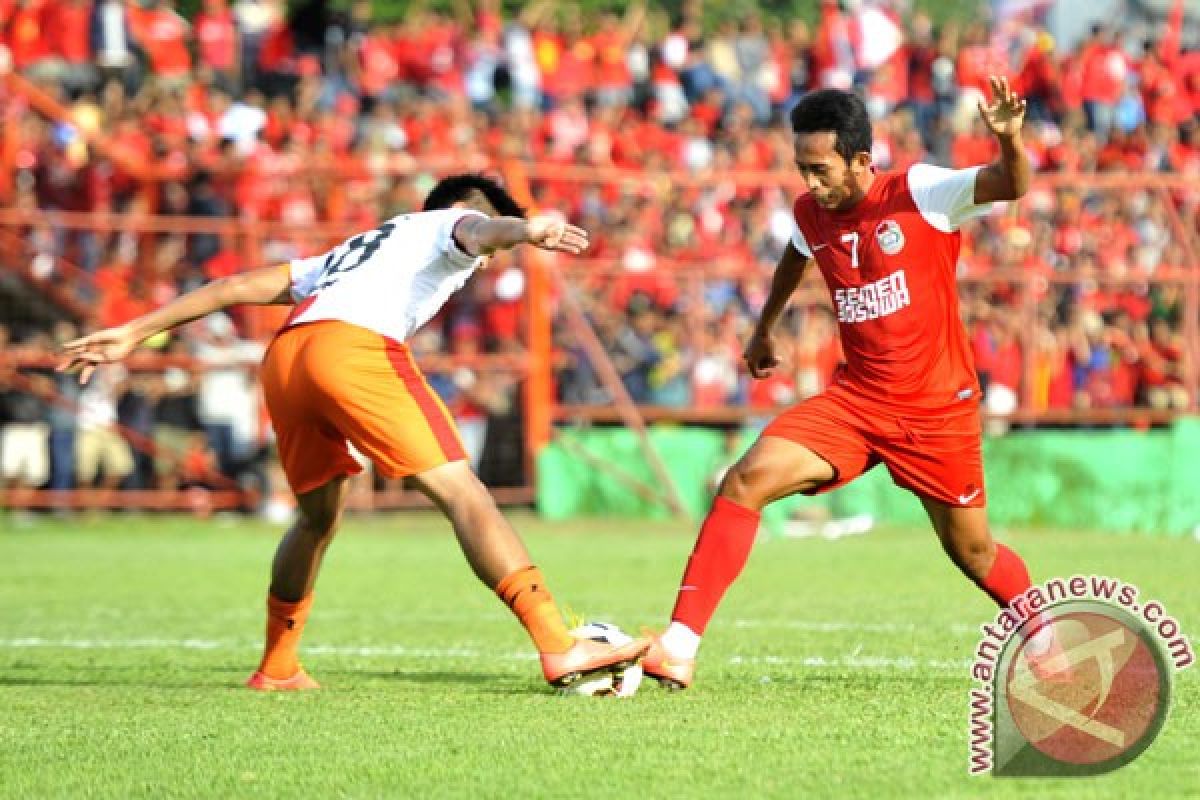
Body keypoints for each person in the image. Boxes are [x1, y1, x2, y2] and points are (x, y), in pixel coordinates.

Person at [60, 174, 648, 691]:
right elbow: (478, 231)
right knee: (464, 495)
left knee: (317, 516)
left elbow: (235, 288)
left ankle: (278, 665)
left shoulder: (357, 250)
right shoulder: (453, 224)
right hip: (354, 348)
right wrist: (525, 230)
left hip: (288, 358)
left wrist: (134, 331)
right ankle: (558, 642)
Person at [642, 76, 1053, 689]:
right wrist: (763, 331)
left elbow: (1010, 184)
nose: (810, 183)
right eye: (801, 168)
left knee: (974, 555)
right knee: (745, 479)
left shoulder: (920, 191)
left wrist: (1011, 141)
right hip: (855, 405)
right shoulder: (812, 210)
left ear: (861, 159)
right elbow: (795, 252)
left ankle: (1044, 633)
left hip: (936, 411)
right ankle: (678, 644)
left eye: (820, 169)